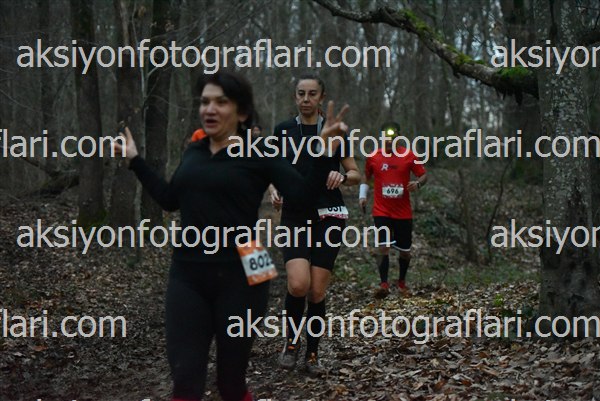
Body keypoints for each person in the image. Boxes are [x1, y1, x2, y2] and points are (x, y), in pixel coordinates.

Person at [112, 71, 349, 401]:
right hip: (188, 272)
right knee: (185, 381)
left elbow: (302, 196)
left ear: (241, 112)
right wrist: (135, 161)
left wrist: (323, 152)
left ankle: (298, 347)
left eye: (221, 102)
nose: (210, 109)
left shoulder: (260, 152)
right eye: (205, 101)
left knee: (231, 384)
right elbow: (168, 199)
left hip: (247, 270)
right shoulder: (194, 152)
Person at [269, 74, 360, 375]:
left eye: (312, 94)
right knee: (298, 284)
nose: (306, 99)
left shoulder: (334, 130)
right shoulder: (283, 130)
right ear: (294, 96)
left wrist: (343, 177)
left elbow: (356, 173)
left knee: (316, 292)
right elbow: (273, 169)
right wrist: (273, 188)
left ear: (321, 97)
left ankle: (312, 353)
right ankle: (291, 342)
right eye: (301, 93)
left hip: (329, 214)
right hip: (295, 213)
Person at [359, 122, 428, 299]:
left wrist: (418, 183)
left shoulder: (409, 155)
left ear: (398, 137)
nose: (389, 141)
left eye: (392, 138)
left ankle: (401, 281)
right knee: (383, 247)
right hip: (381, 210)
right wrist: (362, 195)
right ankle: (384, 284)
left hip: (403, 212)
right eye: (386, 138)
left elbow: (423, 174)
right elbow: (366, 177)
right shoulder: (373, 157)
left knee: (405, 251)